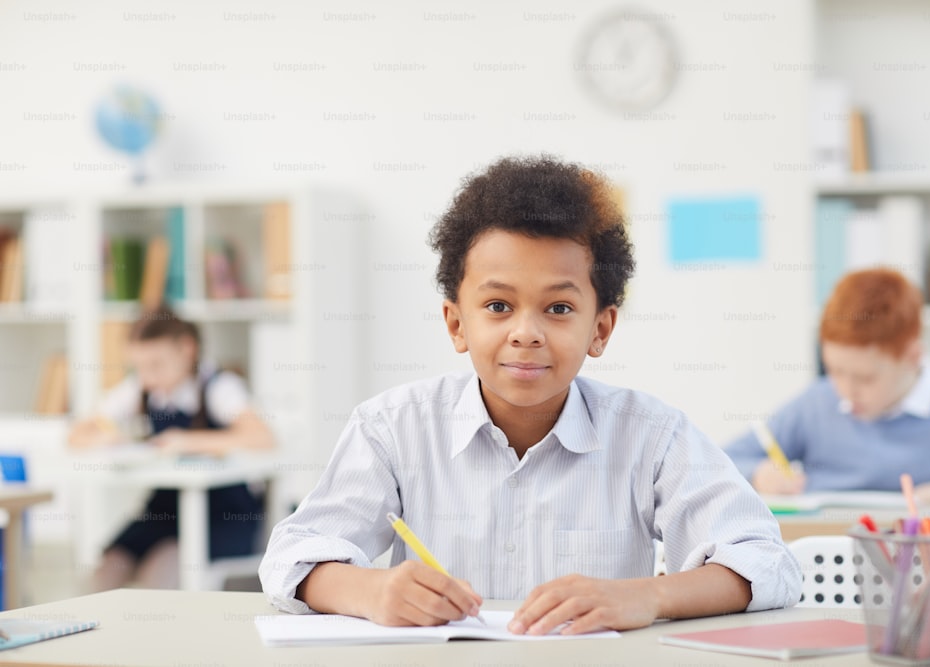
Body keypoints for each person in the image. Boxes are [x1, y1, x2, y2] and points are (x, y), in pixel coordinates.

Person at [259, 155, 800, 635]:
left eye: (559, 308)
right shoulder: (392, 428)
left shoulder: (652, 436)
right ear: (456, 324)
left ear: (601, 329)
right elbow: (292, 557)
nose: (526, 332)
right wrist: (371, 592)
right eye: (498, 306)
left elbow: (767, 562)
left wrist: (648, 595)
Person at [725, 268, 930, 498]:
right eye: (833, 370)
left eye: (865, 378)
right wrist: (758, 472)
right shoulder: (815, 405)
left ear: (913, 356)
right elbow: (722, 461)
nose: (845, 390)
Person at [69, 306, 275, 590]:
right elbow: (78, 434)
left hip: (223, 515)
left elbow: (262, 438)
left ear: (187, 350)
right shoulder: (140, 390)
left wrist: (189, 442)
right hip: (164, 512)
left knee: (165, 564)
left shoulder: (218, 387)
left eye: (156, 365)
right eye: (139, 367)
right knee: (110, 565)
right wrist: (104, 438)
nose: (147, 377)